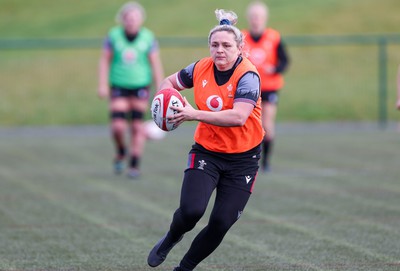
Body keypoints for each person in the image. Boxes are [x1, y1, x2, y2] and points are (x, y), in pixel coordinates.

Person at [147, 9, 264, 271]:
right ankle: (171, 238)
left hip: (243, 160)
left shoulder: (248, 75)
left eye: (226, 45)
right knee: (191, 211)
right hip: (207, 152)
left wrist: (192, 114)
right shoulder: (200, 67)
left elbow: (238, 117)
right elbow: (168, 82)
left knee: (221, 222)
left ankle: (185, 267)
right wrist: (164, 104)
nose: (219, 50)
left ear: (240, 48)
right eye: (214, 45)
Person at [97, 2, 164, 178]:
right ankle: (121, 150)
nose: (131, 21)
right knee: (118, 127)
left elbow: (155, 64)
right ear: (123, 19)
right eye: (128, 18)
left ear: (140, 20)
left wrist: (161, 87)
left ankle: (134, 165)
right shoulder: (113, 36)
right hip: (119, 85)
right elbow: (105, 61)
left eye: (135, 18)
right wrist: (103, 84)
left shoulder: (148, 37)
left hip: (140, 86)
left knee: (136, 126)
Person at [242, 1, 289, 172]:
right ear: (249, 18)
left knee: (266, 125)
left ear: (265, 18)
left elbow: (285, 61)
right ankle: (246, 159)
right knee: (245, 124)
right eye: (253, 16)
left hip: (269, 87)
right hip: (248, 88)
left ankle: (266, 162)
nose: (256, 20)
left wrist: (275, 68)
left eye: (259, 17)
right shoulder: (241, 37)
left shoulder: (274, 37)